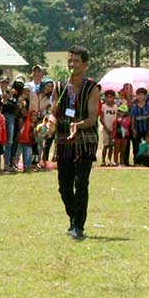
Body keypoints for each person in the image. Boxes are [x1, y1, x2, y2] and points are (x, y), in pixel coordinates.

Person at [53, 47, 100, 240]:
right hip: (64, 140)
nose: (72, 65)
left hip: (85, 140)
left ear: (85, 64)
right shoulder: (59, 86)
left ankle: (78, 226)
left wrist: (77, 125)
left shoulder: (92, 88)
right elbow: (53, 112)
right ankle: (73, 218)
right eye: (70, 61)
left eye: (76, 61)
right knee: (64, 186)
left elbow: (92, 117)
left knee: (81, 183)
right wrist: (49, 124)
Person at [99, 89, 119, 166]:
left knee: (111, 146)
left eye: (111, 97)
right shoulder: (103, 107)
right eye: (107, 97)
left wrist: (114, 129)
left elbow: (117, 118)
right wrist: (106, 128)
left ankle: (110, 160)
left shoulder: (116, 107)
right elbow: (101, 118)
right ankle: (103, 160)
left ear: (114, 97)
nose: (109, 99)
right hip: (105, 129)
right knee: (106, 145)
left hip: (113, 129)